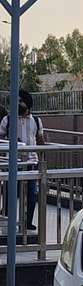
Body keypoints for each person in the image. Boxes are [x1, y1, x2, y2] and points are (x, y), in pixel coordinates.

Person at [0, 89, 45, 231]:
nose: (17, 105)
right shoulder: (8, 120)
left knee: (32, 194)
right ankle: (7, 220)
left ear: (28, 104)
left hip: (31, 163)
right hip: (12, 164)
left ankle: (28, 222)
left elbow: (40, 140)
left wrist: (42, 161)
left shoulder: (36, 121)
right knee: (9, 193)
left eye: (20, 102)